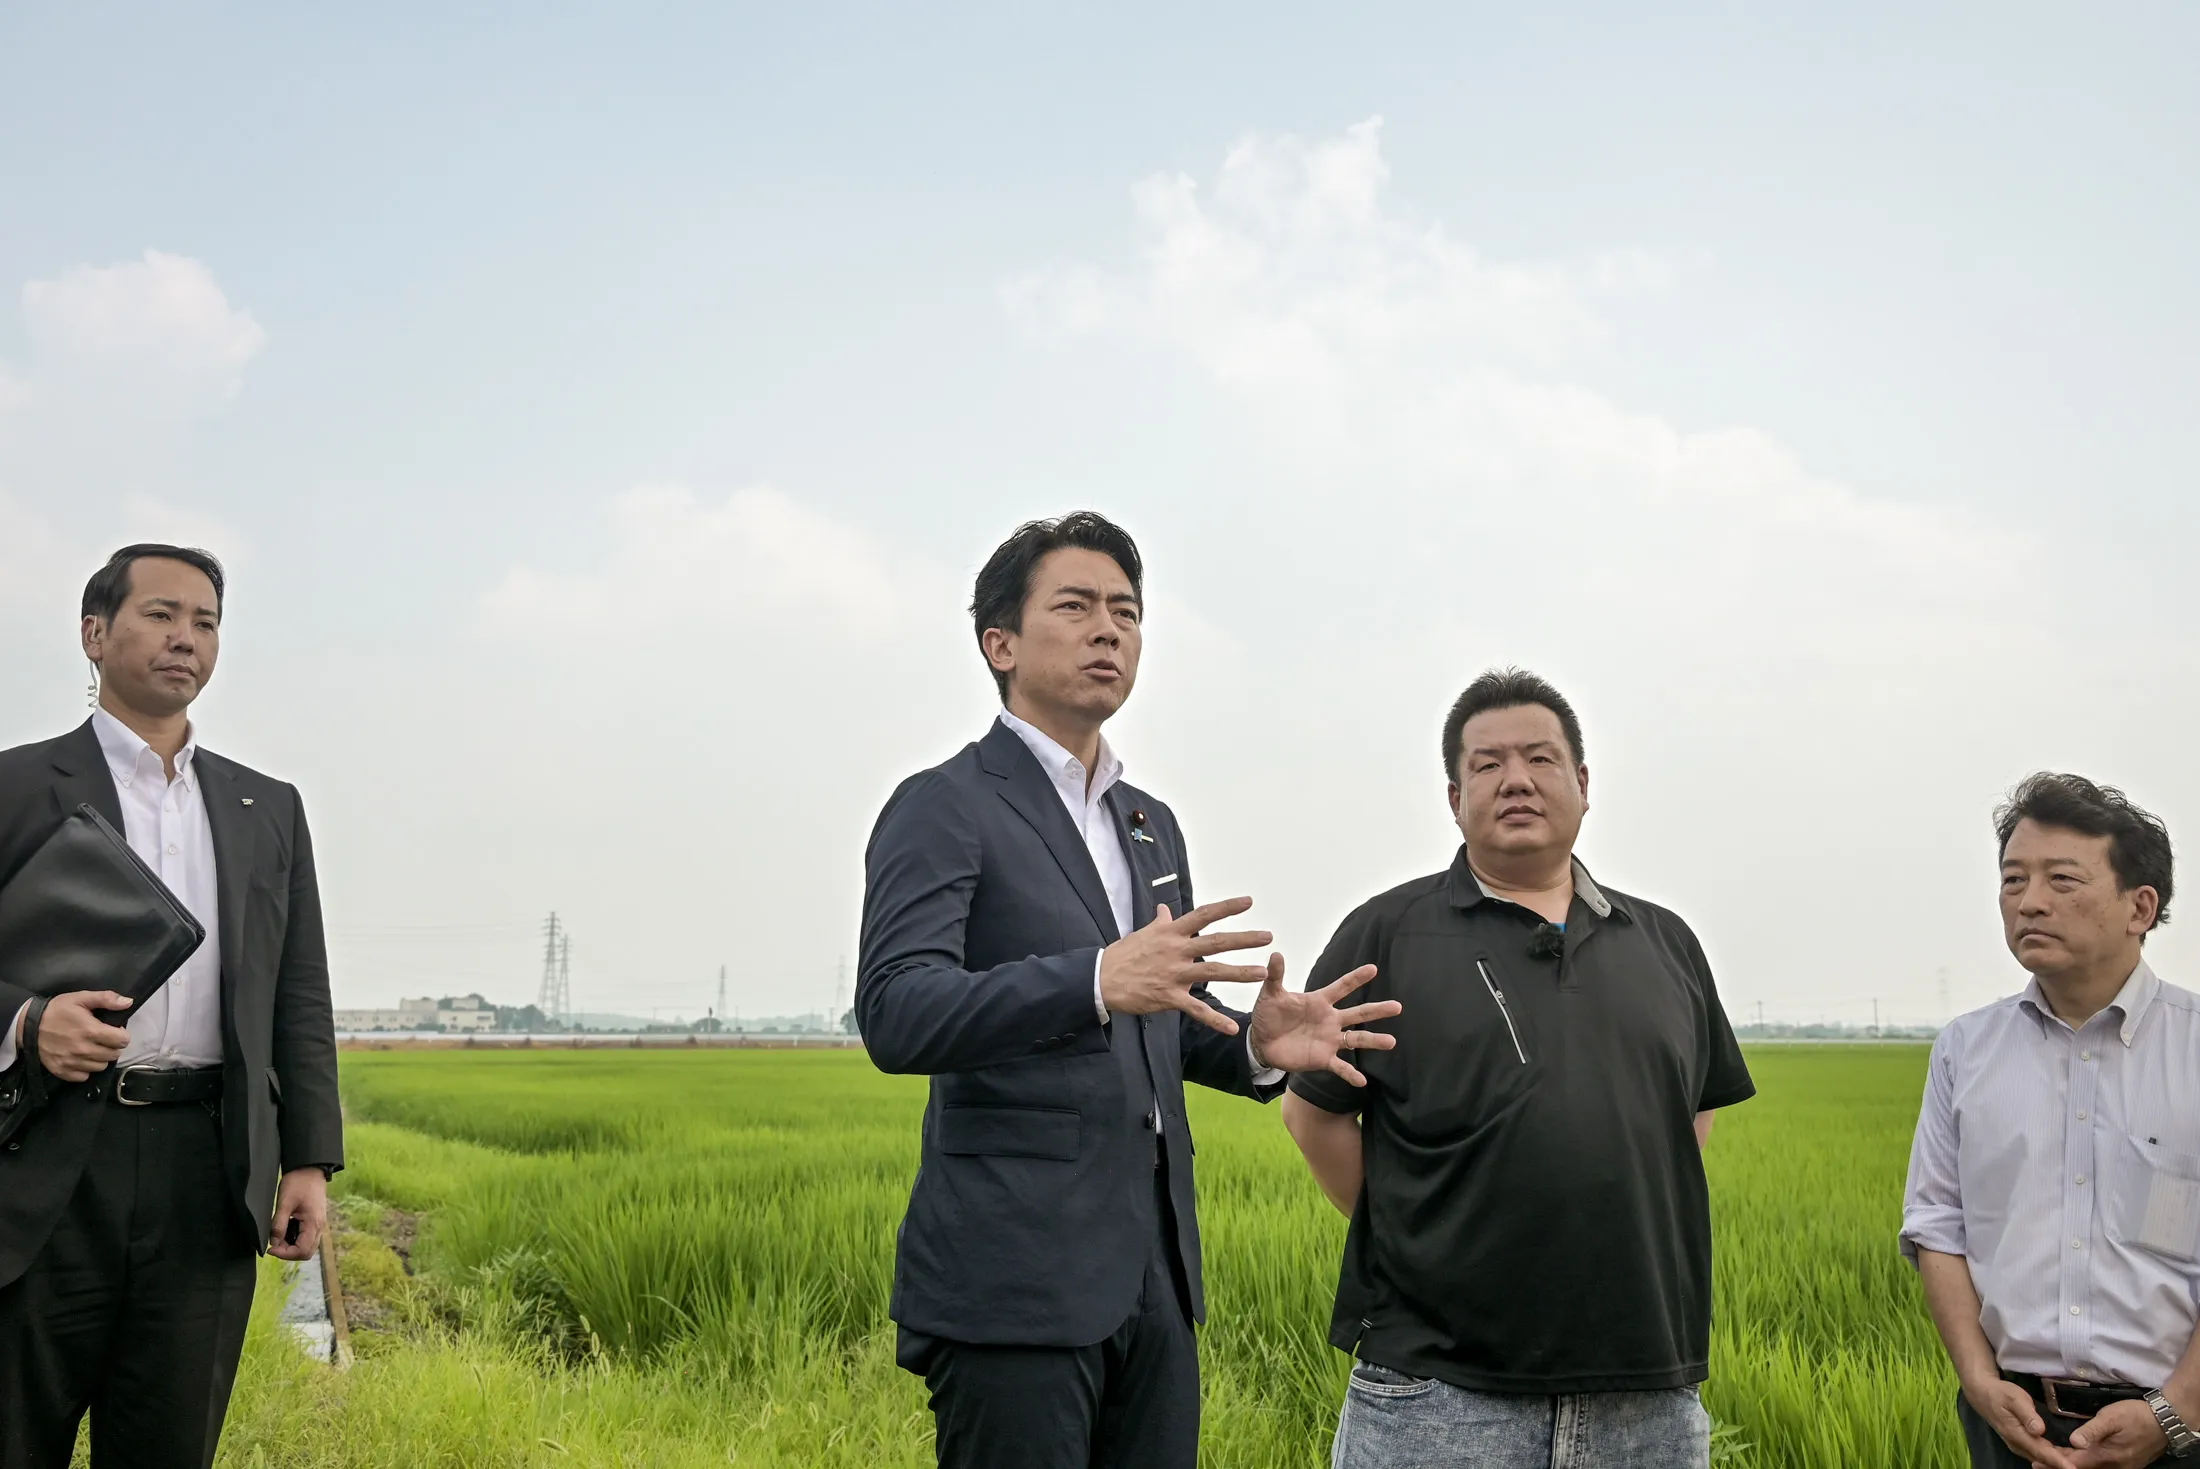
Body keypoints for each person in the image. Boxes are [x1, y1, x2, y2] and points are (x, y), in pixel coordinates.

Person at [856, 511, 1399, 1469]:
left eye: (1128, 611)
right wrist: (1095, 976)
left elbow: (1157, 1022)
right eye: (1076, 605)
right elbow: (898, 1009)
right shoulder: (947, 804)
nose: (1110, 628)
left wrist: (1254, 1047)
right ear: (1001, 641)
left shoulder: (1150, 825)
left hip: (1156, 1281)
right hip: (1014, 1284)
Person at [1282, 667, 1756, 1469]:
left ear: (1581, 781)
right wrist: (1424, 1232)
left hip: (1644, 1391)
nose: (1516, 780)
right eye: (1487, 763)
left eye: (1539, 758)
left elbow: (1689, 1114)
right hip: (1438, 1393)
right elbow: (1315, 1112)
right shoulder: (1387, 933)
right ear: (1453, 795)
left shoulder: (1667, 942)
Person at [0, 545, 344, 1469]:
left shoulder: (265, 806)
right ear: (94, 632)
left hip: (207, 1169)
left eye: (205, 621)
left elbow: (299, 991)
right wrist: (27, 1023)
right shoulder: (17, 786)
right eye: (160, 614)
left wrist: (307, 1157)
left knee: (167, 1445)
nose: (185, 638)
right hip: (39, 1164)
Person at [1903, 773, 2200, 1469]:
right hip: (2012, 1424)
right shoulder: (1966, 1049)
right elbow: (1938, 1224)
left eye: (2061, 879)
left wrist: (2176, 1411)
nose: (2029, 901)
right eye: (2012, 880)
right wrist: (1979, 1380)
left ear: (2140, 905)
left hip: (2183, 1428)